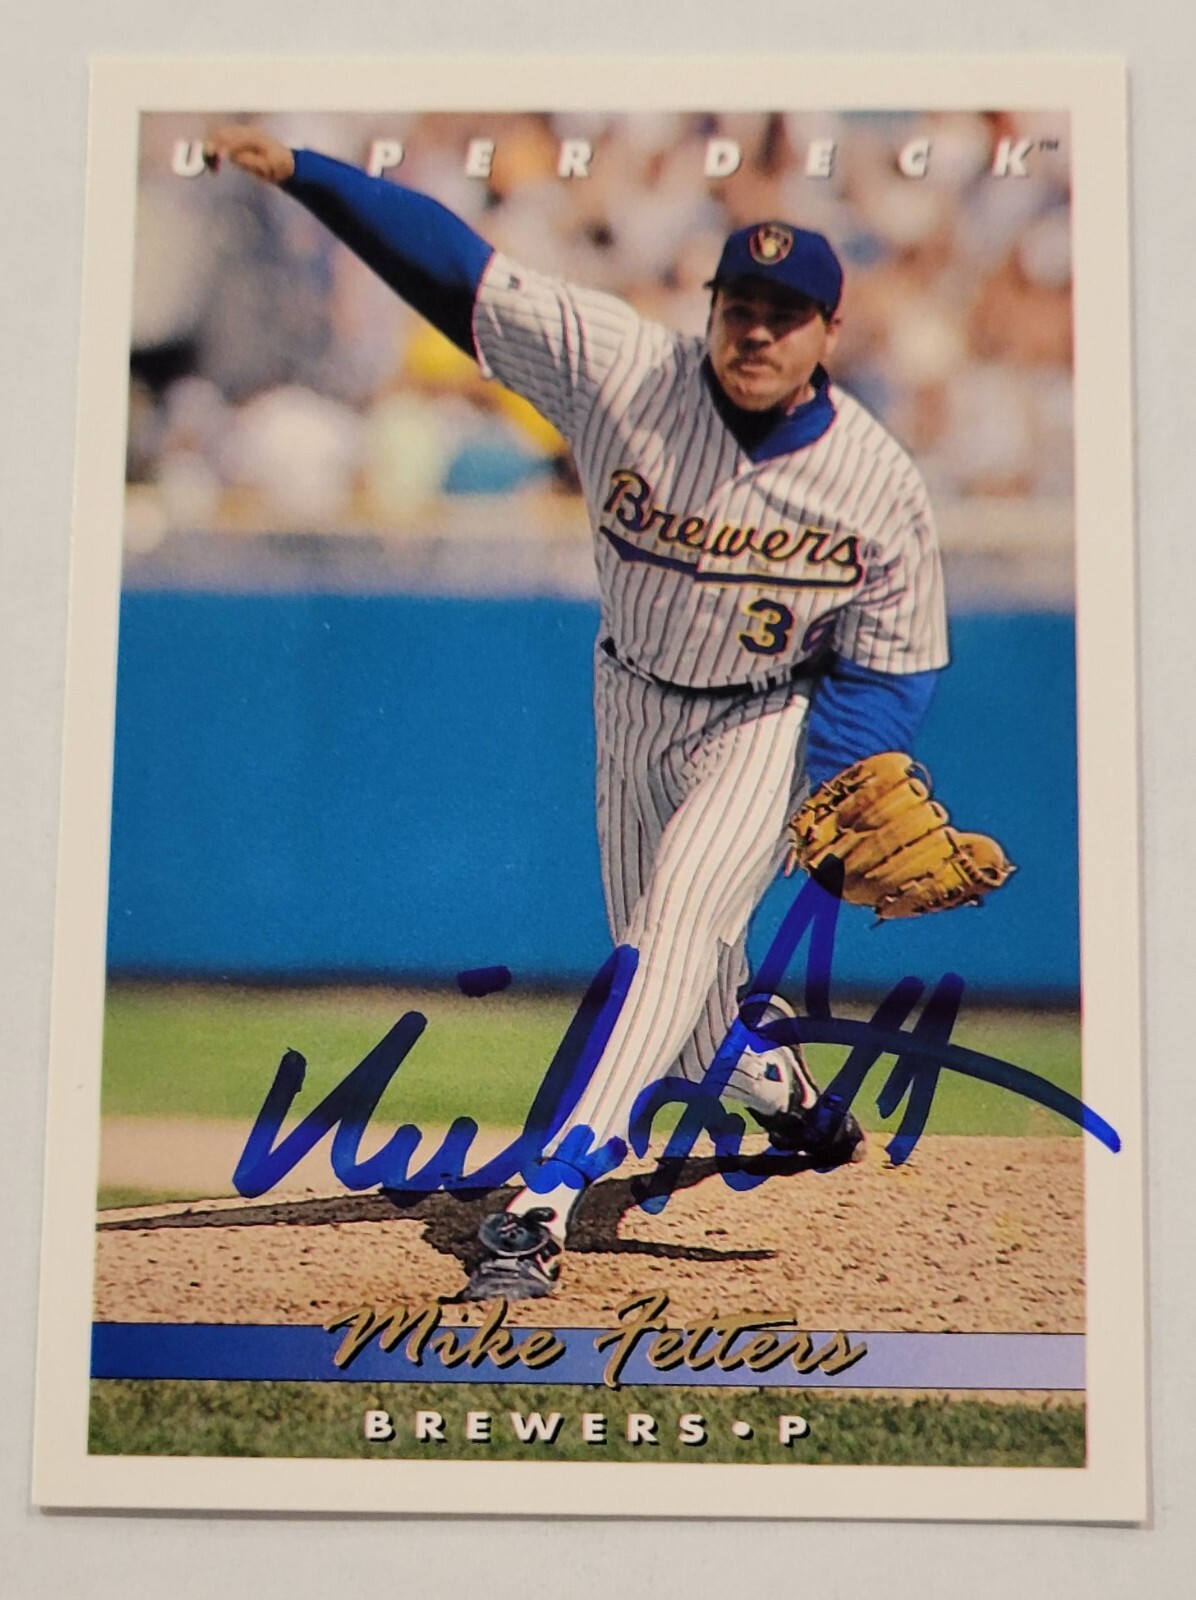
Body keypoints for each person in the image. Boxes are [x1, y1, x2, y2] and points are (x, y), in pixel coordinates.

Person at [205, 126, 949, 1299]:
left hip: (763, 722)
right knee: (684, 1009)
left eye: (784, 314)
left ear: (827, 332)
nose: (757, 331)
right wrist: (308, 174)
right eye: (740, 307)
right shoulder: (624, 369)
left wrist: (844, 774)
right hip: (631, 698)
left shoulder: (873, 479)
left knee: (666, 941)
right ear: (709, 311)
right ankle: (785, 1098)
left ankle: (539, 1204)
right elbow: (459, 276)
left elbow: (891, 661)